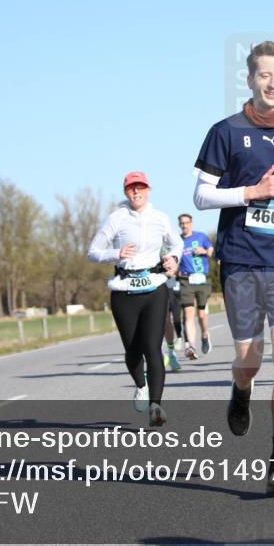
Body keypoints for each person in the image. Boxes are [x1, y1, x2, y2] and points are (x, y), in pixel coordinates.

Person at [192, 41, 274, 495]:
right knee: (250, 362)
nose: (272, 83)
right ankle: (241, 387)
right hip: (242, 260)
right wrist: (250, 192)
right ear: (250, 79)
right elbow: (201, 196)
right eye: (264, 75)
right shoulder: (225, 131)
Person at [88, 171, 181, 426]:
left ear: (148, 189)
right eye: (131, 188)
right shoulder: (116, 218)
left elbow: (176, 245)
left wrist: (173, 259)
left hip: (154, 287)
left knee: (153, 348)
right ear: (125, 192)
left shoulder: (160, 218)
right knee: (133, 349)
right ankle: (141, 385)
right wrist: (116, 252)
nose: (136, 192)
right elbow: (93, 252)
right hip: (124, 290)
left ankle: (156, 406)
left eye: (140, 187)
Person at [177, 213, 214, 358]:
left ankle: (205, 334)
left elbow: (211, 252)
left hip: (202, 279)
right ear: (179, 224)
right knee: (188, 313)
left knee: (202, 314)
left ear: (191, 223)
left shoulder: (201, 237)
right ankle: (191, 346)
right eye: (182, 223)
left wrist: (204, 251)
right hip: (186, 280)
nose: (184, 225)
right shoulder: (178, 241)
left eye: (187, 223)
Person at [162, 276, 183, 372]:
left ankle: (171, 353)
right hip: (145, 283)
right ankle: (159, 352)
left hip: (165, 282)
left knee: (166, 318)